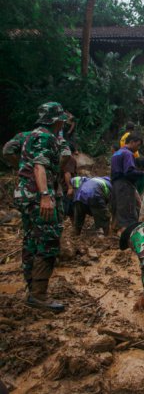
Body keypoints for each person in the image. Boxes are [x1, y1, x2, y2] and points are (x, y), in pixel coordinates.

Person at [13, 102, 72, 312]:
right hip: (39, 195)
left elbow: (8, 152)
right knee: (48, 241)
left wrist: (23, 175)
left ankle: (32, 289)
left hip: (25, 194)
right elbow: (40, 164)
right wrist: (45, 195)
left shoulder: (29, 135)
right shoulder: (47, 137)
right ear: (57, 120)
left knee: (31, 239)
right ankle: (39, 295)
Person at [111, 133, 144, 233]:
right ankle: (129, 240)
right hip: (125, 186)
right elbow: (129, 172)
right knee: (128, 215)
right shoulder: (128, 154)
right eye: (138, 145)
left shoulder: (117, 153)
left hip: (116, 185)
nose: (137, 148)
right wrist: (142, 173)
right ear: (131, 142)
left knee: (120, 212)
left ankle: (117, 234)